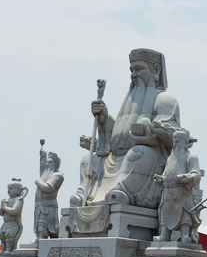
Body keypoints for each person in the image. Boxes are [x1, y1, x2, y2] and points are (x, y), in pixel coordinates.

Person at [71, 49, 181, 209]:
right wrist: (104, 119)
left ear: (156, 70)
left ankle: (122, 191)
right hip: (115, 158)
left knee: (139, 153)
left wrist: (149, 133)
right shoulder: (130, 100)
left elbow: (173, 137)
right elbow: (116, 134)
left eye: (138, 69)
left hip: (144, 158)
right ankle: (84, 193)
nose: (133, 74)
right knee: (87, 160)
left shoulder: (165, 99)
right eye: (131, 70)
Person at [153, 129, 201, 243]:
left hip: (181, 191)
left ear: (185, 142)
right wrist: (160, 179)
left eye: (178, 141)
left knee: (184, 212)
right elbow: (166, 174)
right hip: (167, 193)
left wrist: (188, 178)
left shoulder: (191, 157)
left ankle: (185, 234)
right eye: (174, 141)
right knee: (165, 212)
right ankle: (164, 234)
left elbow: (196, 174)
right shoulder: (170, 158)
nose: (175, 144)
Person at [35, 150, 64, 239]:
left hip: (49, 207)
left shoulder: (58, 176)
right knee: (40, 227)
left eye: (50, 162)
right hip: (40, 205)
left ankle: (44, 245)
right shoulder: (46, 175)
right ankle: (40, 242)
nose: (47, 164)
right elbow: (42, 168)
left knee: (45, 226)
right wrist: (43, 157)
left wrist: (38, 181)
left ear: (55, 164)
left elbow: (48, 188)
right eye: (47, 162)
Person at [0, 179, 28, 252]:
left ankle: (9, 250)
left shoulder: (19, 200)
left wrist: (5, 207)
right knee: (0, 235)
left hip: (13, 224)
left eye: (11, 189)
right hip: (5, 224)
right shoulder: (7, 200)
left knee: (9, 236)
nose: (8, 191)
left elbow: (14, 211)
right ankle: (3, 249)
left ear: (18, 190)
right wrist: (2, 207)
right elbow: (1, 213)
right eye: (8, 189)